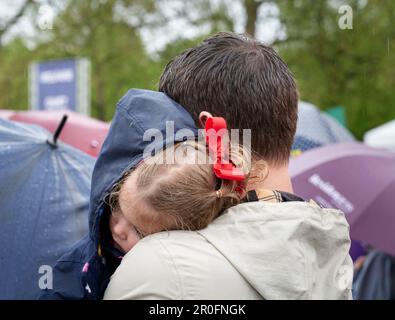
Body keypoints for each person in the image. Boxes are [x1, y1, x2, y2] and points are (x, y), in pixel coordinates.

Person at [103, 32, 353, 300]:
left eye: (172, 131)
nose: (166, 149)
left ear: (212, 133)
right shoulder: (334, 258)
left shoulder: (155, 271)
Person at [38, 89, 198, 299]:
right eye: (115, 205)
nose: (118, 229)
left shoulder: (185, 275)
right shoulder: (77, 271)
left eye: (138, 230)